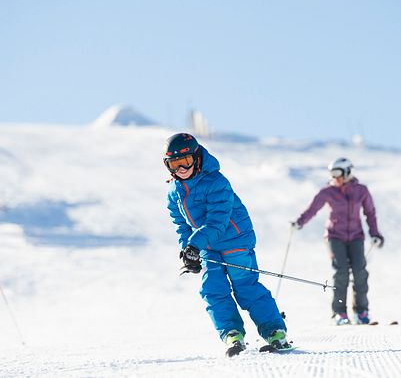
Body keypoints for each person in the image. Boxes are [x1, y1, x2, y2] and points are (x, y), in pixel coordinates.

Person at [164, 133, 290, 356]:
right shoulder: (174, 193)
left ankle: (275, 332)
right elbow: (182, 225)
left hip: (235, 241)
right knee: (212, 289)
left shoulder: (216, 182)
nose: (181, 169)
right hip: (208, 246)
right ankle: (232, 333)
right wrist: (188, 251)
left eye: (185, 162)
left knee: (246, 287)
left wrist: (194, 245)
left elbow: (217, 221)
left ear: (197, 158)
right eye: (174, 164)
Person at [292, 157, 384, 325]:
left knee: (360, 272)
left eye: (338, 173)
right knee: (341, 272)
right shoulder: (328, 192)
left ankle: (361, 312)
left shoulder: (361, 191)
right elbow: (312, 209)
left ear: (348, 171)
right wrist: (299, 222)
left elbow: (370, 213)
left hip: (356, 237)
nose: (335, 177)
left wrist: (375, 234)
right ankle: (339, 313)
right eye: (332, 174)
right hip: (335, 236)